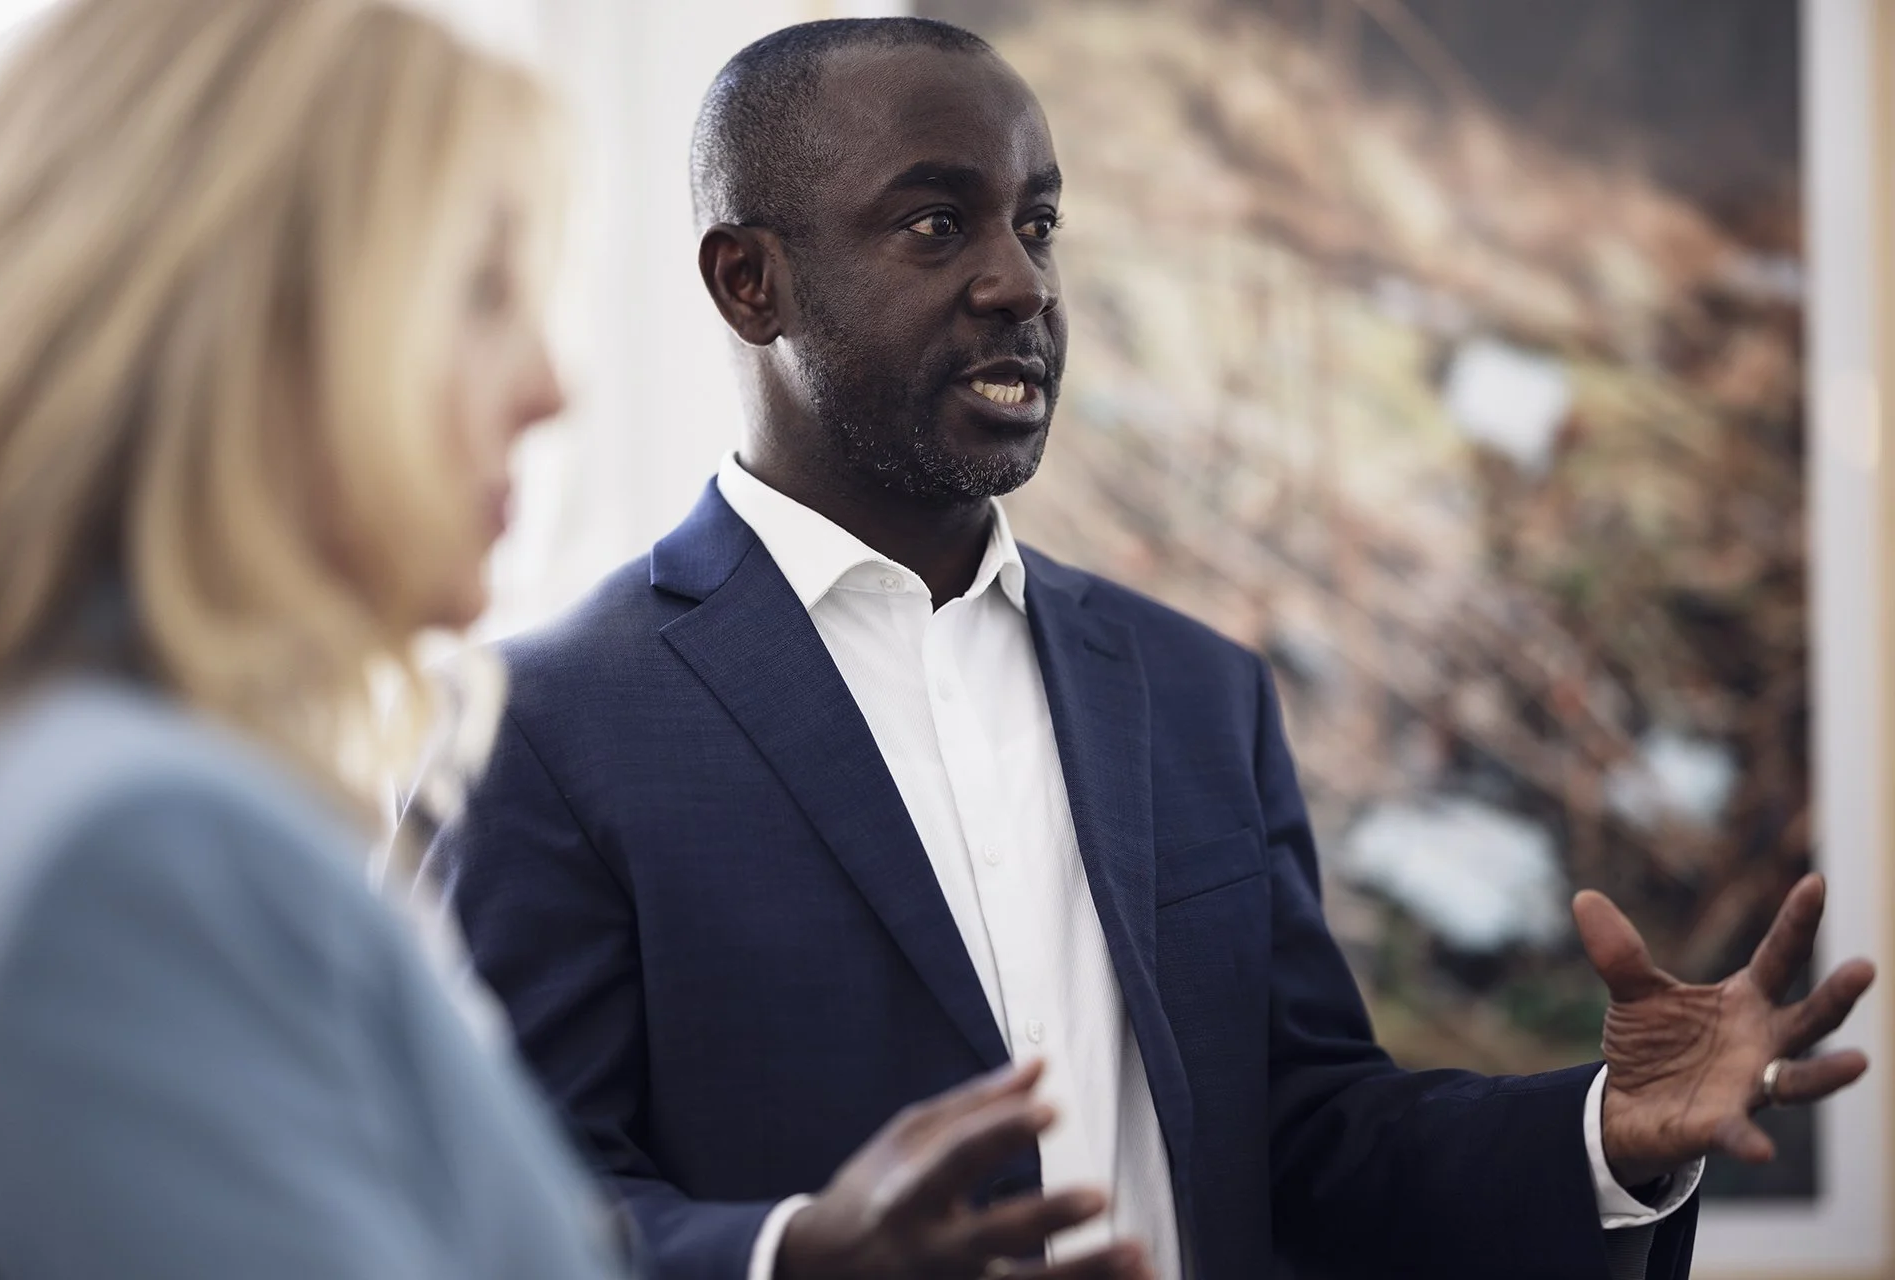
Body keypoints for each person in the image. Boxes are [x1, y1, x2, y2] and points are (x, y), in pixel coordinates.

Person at [420, 18, 1877, 1280]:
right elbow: (474, 1213)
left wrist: (1598, 1139)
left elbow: (1308, 1143)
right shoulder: (544, 726)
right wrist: (788, 1257)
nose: (1022, 285)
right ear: (752, 283)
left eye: (1036, 223)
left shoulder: (1195, 693)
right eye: (939, 224)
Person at [0, 1, 604, 1275]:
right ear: (252, 322)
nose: (550, 384)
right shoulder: (148, 856)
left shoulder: (48, 772)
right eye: (481, 289)